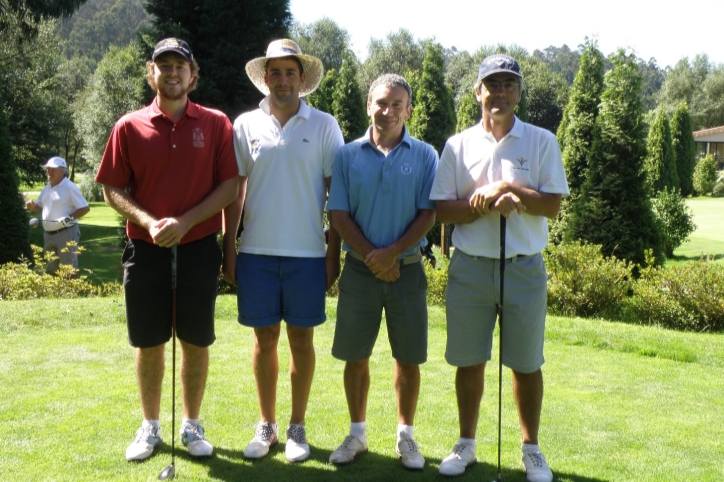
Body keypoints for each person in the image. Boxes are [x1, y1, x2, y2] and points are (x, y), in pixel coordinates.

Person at [95, 38, 239, 462]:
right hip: (146, 248)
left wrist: (185, 222)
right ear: (150, 72)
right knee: (149, 341)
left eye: (181, 65)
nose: (172, 72)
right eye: (164, 66)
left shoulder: (215, 124)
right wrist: (148, 221)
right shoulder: (129, 125)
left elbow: (229, 186)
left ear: (193, 76)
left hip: (196, 248)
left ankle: (192, 425)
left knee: (195, 341)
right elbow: (111, 187)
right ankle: (150, 426)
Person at [429, 54, 569, 481]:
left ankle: (531, 450)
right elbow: (441, 210)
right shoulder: (458, 145)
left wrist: (511, 189)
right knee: (469, 361)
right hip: (470, 267)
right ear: (478, 92)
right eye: (492, 85)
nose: (500, 93)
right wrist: (482, 204)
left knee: (526, 363)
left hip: (523, 267)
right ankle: (466, 444)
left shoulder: (541, 140)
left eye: (509, 85)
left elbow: (554, 205)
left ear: (519, 93)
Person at [223, 39, 344, 463]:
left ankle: (297, 427)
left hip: (308, 254)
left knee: (301, 341)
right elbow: (235, 192)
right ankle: (267, 424)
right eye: (275, 72)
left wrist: (334, 254)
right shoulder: (244, 125)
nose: (282, 80)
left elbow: (337, 194)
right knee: (264, 341)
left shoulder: (325, 125)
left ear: (303, 78)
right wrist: (229, 247)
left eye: (290, 72)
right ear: (265, 78)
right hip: (256, 251)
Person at [326, 73, 438, 470]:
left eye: (397, 105)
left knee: (407, 359)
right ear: (368, 105)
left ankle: (406, 437)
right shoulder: (347, 154)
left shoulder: (425, 155)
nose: (388, 111)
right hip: (360, 272)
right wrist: (375, 256)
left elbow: (429, 214)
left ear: (408, 110)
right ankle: (357, 434)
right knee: (355, 357)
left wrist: (391, 254)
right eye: (381, 103)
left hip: (406, 272)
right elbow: (337, 214)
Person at [26, 157, 90, 274]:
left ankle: (74, 292)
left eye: (54, 169)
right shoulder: (47, 188)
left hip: (66, 233)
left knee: (69, 269)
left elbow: (85, 208)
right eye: (48, 169)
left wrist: (68, 219)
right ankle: (59, 293)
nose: (50, 172)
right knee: (53, 270)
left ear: (63, 171)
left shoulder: (69, 187)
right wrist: (31, 206)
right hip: (48, 235)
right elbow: (38, 207)